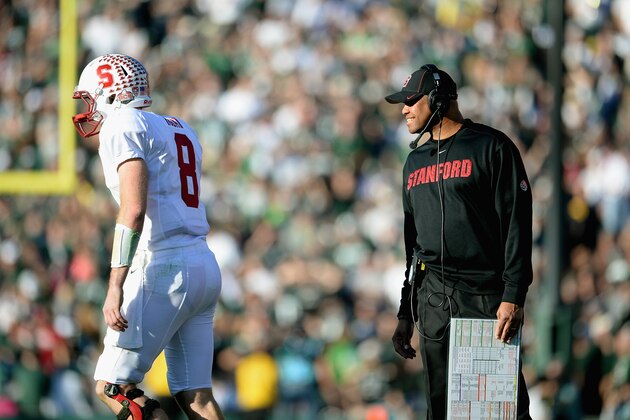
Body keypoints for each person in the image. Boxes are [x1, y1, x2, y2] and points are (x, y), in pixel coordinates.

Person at [72, 53, 224, 420]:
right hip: (203, 262)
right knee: (197, 396)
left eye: (90, 98)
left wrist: (115, 285)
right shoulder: (178, 126)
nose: (86, 111)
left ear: (108, 93)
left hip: (165, 266)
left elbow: (133, 209)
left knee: (113, 387)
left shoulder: (121, 124)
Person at [386, 64, 533, 419]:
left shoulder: (490, 146)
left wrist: (513, 295)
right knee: (442, 410)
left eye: (411, 100)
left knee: (501, 409)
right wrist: (406, 310)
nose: (404, 109)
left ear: (437, 99)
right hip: (433, 300)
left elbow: (517, 223)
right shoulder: (413, 161)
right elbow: (412, 245)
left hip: (485, 299)